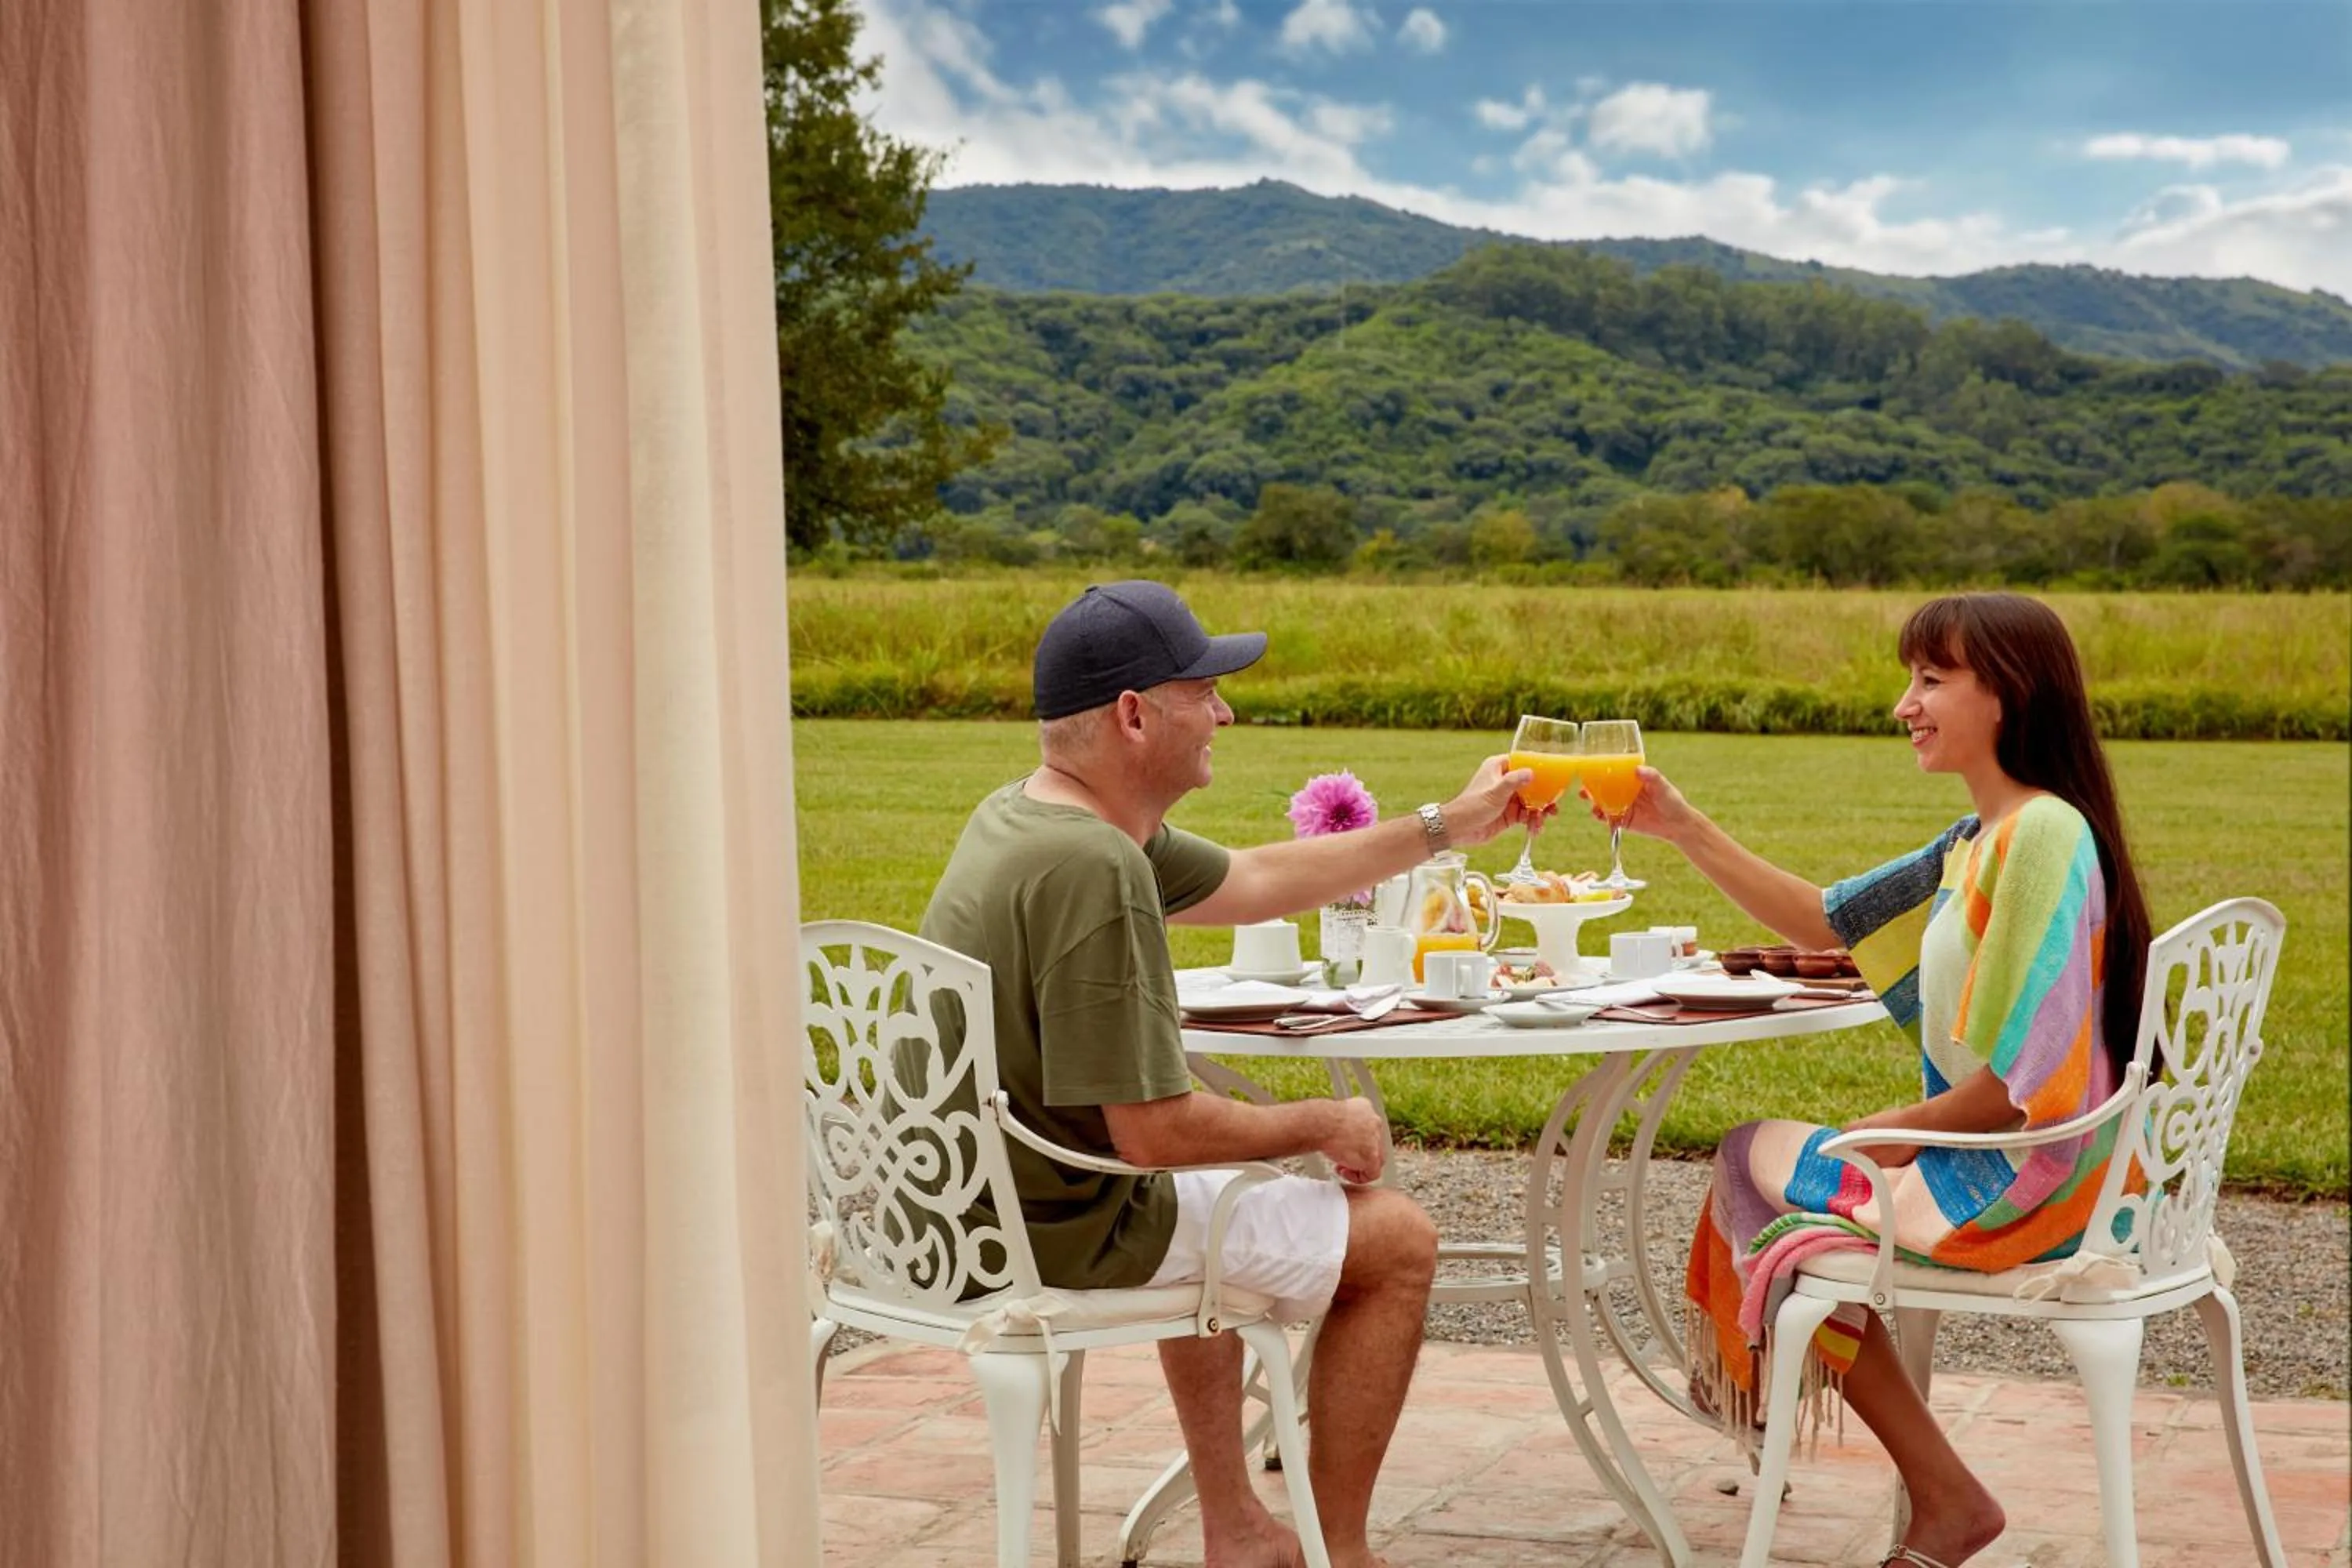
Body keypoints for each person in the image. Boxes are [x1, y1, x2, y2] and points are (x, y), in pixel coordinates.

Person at [921, 579, 1544, 1568]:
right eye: (1204, 691)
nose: (1226, 713)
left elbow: (1256, 879)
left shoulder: (1028, 816)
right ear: (1135, 715)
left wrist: (1445, 826)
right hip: (1057, 1231)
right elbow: (1152, 1135)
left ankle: (1239, 1531)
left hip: (959, 1210)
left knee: (1212, 1201)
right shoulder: (1096, 867)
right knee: (1396, 1239)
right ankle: (1342, 1552)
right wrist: (1323, 1121)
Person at [1602, 592, 2152, 1568]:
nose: (1906, 704)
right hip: (2046, 1163)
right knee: (1755, 1168)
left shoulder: (2040, 837)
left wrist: (1901, 1124)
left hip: (2024, 1178)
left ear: (2008, 692)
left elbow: (2023, 1089)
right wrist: (1681, 825)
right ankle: (1926, 1482)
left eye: (1931, 680)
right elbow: (1826, 920)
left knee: (1753, 1174)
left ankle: (1925, 1483)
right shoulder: (1979, 838)